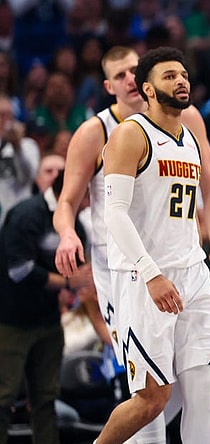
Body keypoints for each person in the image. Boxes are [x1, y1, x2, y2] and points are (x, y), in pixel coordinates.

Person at [52, 45, 210, 443]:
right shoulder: (117, 133)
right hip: (133, 272)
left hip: (191, 269)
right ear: (142, 87)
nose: (181, 80)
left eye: (183, 74)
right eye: (169, 76)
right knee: (151, 398)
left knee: (202, 386)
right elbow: (107, 212)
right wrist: (69, 235)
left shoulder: (190, 130)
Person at [0, 171, 93, 442]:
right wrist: (66, 283)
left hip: (49, 320)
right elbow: (19, 271)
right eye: (89, 195)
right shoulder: (26, 215)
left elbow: (79, 266)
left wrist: (70, 289)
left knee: (46, 397)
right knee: (3, 395)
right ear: (72, 191)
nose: (91, 202)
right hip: (12, 321)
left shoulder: (79, 226)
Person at [0, 94, 39, 227]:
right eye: (1, 115)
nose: (4, 121)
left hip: (19, 219)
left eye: (8, 115)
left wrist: (17, 149)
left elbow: (27, 179)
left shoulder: (27, 146)